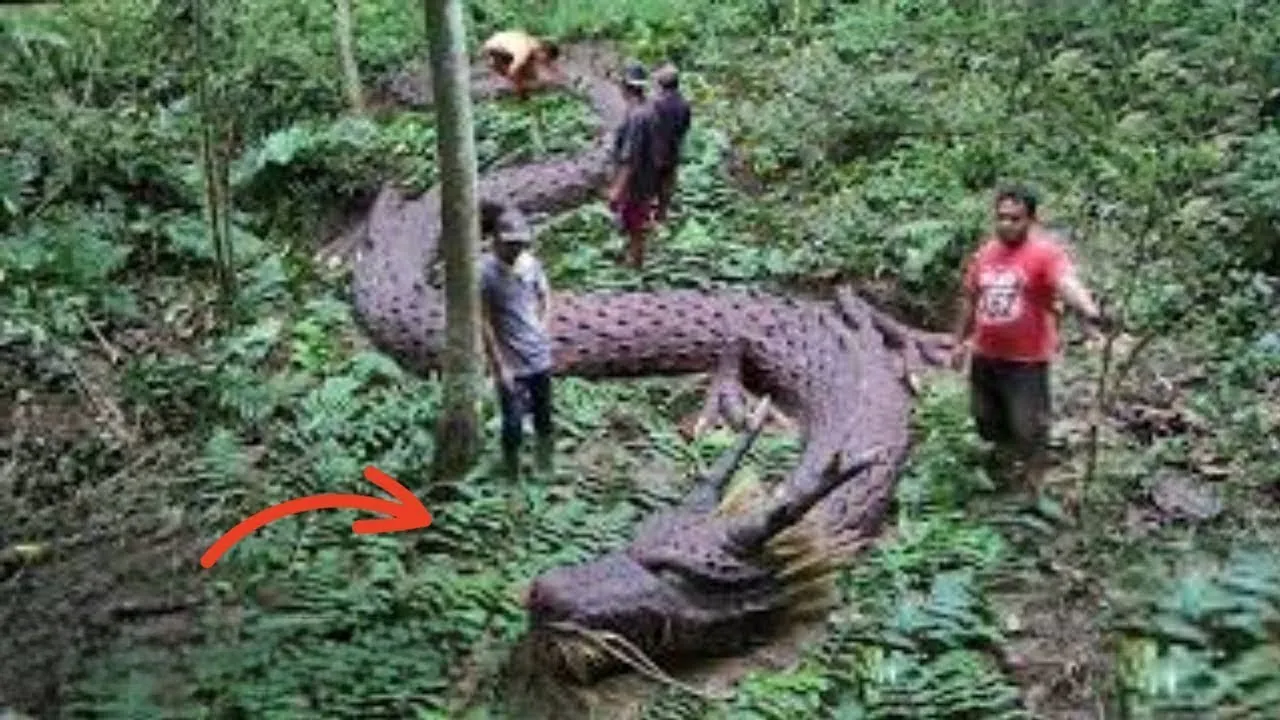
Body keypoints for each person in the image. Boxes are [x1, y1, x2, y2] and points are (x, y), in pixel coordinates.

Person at [950, 186, 1110, 508]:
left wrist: (1090, 311)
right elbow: (971, 299)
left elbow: (1066, 284)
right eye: (1001, 217)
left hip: (1026, 361)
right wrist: (959, 342)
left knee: (1030, 425)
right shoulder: (985, 254)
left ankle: (1033, 485)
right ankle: (1005, 464)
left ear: (1031, 220)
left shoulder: (1045, 255)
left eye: (1015, 218)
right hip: (985, 355)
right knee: (985, 419)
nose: (1007, 224)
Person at [479, 213, 555, 479]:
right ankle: (512, 474)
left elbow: (545, 295)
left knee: (543, 416)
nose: (515, 249)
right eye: (509, 243)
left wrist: (542, 326)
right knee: (512, 422)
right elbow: (484, 320)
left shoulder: (531, 265)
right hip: (510, 362)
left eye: (520, 243)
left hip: (539, 356)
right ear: (496, 241)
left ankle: (544, 466)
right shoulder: (485, 272)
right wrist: (498, 365)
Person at [608, 62, 661, 268]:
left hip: (636, 183)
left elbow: (629, 158)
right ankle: (634, 260)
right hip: (647, 179)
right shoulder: (649, 111)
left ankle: (635, 265)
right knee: (636, 224)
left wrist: (617, 188)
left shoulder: (636, 117)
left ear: (625, 87)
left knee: (634, 226)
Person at [650, 63, 692, 224]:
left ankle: (647, 219)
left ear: (661, 83)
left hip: (654, 151)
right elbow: (685, 128)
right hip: (673, 150)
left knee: (649, 184)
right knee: (666, 186)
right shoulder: (684, 104)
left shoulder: (655, 103)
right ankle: (661, 216)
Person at [481, 30, 563, 100]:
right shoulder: (525, 51)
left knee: (529, 70)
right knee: (519, 72)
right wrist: (520, 91)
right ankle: (497, 91)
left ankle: (505, 87)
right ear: (544, 52)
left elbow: (548, 65)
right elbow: (513, 70)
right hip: (496, 49)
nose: (543, 62)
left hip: (498, 42)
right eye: (546, 59)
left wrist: (560, 79)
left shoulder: (534, 43)